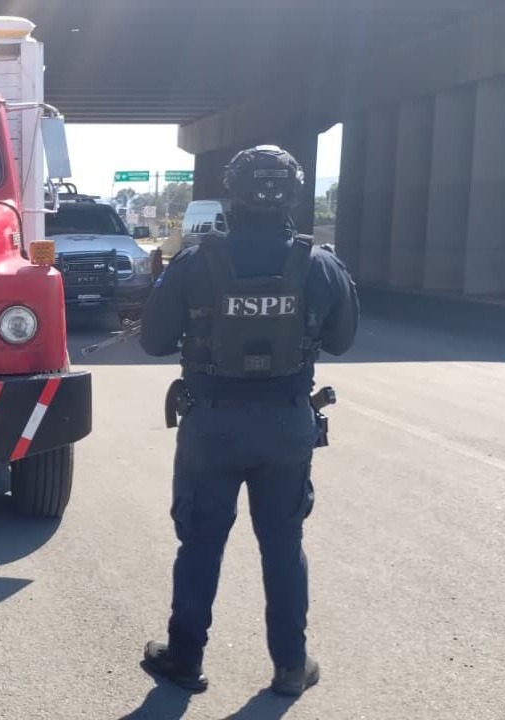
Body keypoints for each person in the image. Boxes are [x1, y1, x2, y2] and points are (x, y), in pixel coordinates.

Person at [137, 145, 360, 696]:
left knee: (200, 544)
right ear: (294, 193)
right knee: (283, 544)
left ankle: (184, 660)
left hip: (211, 427)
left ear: (231, 191)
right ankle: (291, 666)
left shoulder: (195, 262)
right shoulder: (319, 263)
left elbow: (154, 341)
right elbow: (341, 340)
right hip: (286, 426)